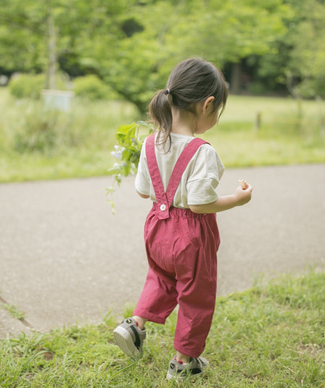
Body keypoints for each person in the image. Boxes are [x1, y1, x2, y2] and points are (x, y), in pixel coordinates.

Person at [112, 58, 253, 380]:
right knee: (196, 295)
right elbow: (201, 204)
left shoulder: (151, 142)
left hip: (156, 229)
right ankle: (183, 361)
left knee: (161, 278)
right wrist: (237, 199)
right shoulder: (202, 151)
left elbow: (142, 192)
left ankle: (135, 325)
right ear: (208, 105)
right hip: (190, 236)